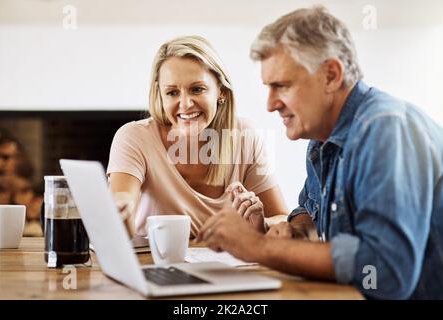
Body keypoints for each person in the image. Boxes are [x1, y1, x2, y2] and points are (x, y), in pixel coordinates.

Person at [196, 6, 443, 299]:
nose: (270, 104)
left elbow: (386, 273)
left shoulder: (385, 130)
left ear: (330, 75)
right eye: (268, 87)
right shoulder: (322, 138)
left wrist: (260, 247)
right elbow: (310, 217)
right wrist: (293, 232)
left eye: (282, 86)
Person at [107, 35, 288, 238]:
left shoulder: (245, 137)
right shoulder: (134, 137)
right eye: (172, 93)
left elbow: (281, 217)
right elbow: (123, 199)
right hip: (156, 266)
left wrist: (261, 223)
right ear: (160, 95)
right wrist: (120, 210)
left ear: (221, 92)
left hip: (224, 267)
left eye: (197, 89)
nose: (185, 104)